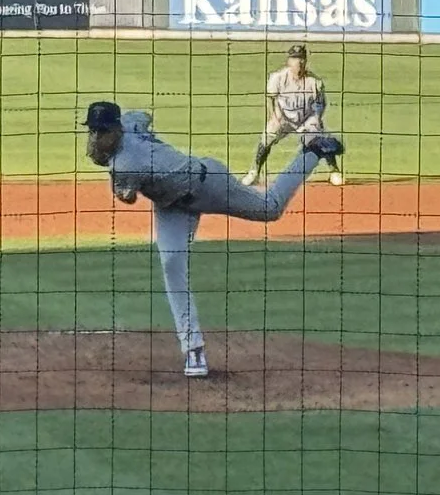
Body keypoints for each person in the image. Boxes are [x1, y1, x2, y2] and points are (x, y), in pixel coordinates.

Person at [82, 99, 345, 381]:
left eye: (103, 131)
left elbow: (129, 197)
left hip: (208, 183)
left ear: (116, 129)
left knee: (270, 208)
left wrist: (121, 179)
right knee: (171, 264)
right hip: (172, 206)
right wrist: (143, 135)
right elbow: (143, 116)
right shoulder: (130, 125)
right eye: (93, 131)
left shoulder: (125, 164)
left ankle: (312, 151)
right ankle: (193, 349)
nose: (97, 136)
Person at [244, 43, 340, 187]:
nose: (298, 62)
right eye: (295, 58)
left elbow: (321, 104)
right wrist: (274, 116)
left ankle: (334, 171)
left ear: (305, 61)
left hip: (306, 118)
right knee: (267, 136)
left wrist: (316, 119)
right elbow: (270, 98)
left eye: (301, 58)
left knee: (320, 137)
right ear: (289, 61)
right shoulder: (278, 77)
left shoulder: (315, 81)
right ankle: (254, 172)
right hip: (284, 117)